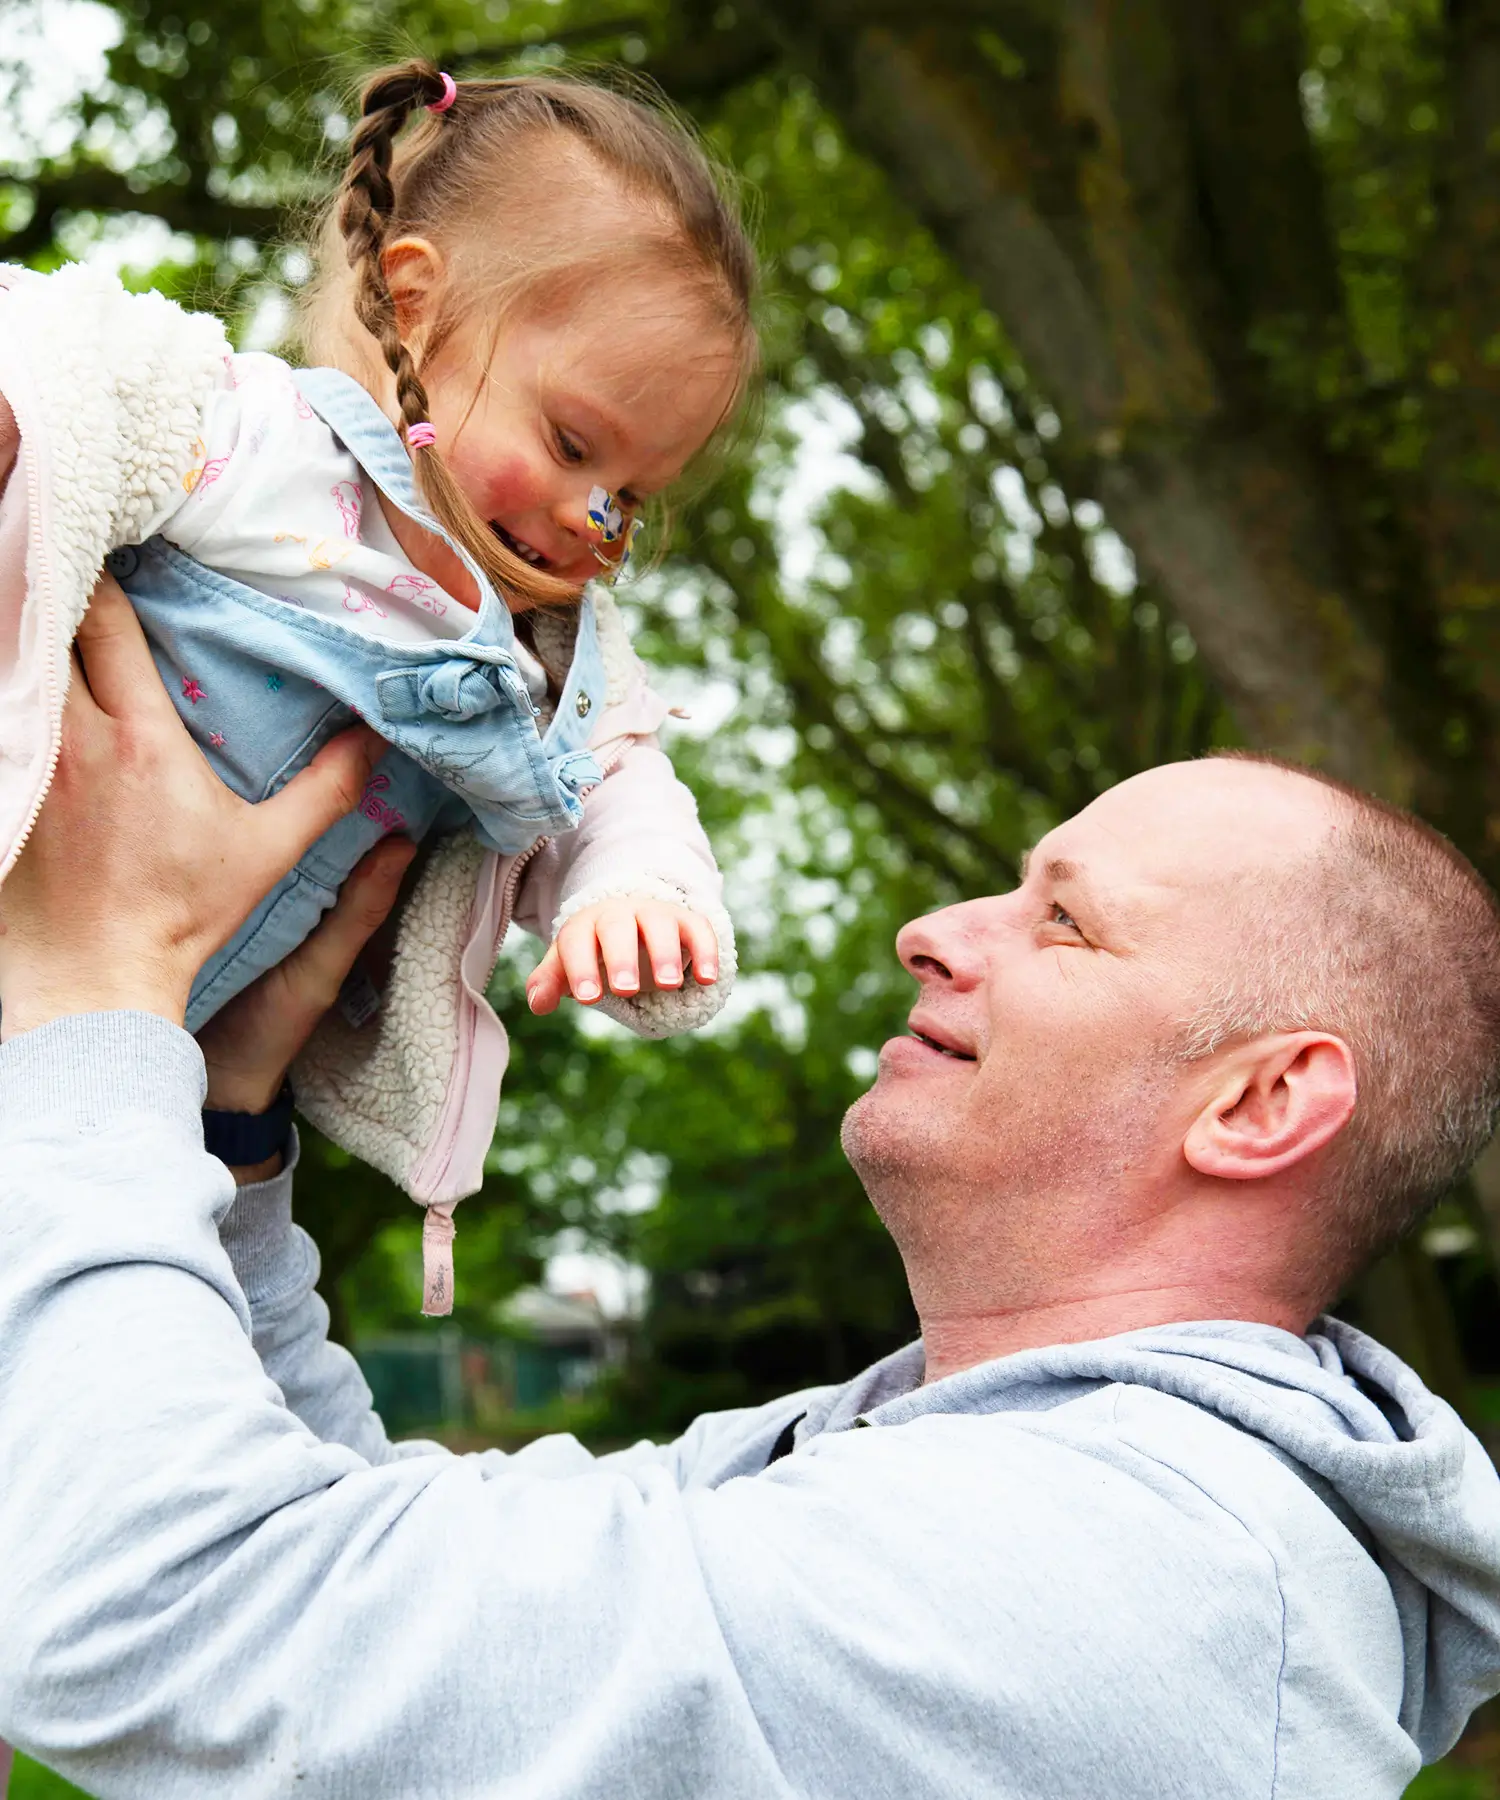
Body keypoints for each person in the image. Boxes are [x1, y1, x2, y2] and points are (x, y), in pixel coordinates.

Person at [2, 582, 1500, 1800]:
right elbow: (369, 1562)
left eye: (1069, 924)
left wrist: (91, 1005)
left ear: (1259, 1104)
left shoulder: (1101, 1582)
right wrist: (230, 1129)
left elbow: (174, 1625)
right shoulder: (978, 1470)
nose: (931, 931)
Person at [0, 59, 755, 1308]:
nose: (595, 519)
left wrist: (638, 893)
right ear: (415, 306)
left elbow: (622, 779)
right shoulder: (256, 444)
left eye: (633, 492)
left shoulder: (553, 663)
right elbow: (91, 380)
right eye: (572, 444)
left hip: (148, 1066)